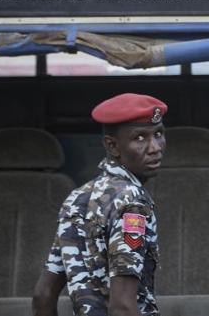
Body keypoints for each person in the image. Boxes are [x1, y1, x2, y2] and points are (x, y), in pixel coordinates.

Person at [33, 93, 167, 316]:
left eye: (159, 134)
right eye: (140, 138)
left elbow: (43, 295)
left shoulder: (77, 198)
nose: (155, 147)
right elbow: (123, 306)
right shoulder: (131, 202)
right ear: (112, 146)